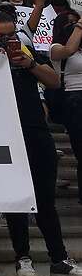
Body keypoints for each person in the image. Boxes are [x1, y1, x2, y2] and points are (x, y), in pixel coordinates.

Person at [0, 11, 82, 276]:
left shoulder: (26, 54)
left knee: (45, 200)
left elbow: (53, 80)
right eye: (0, 36)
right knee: (16, 199)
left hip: (35, 132)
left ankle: (59, 258)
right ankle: (22, 258)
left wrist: (27, 63)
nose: (7, 40)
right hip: (2, 135)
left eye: (11, 34)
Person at [49, 11, 82, 204]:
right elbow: (69, 50)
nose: (74, 26)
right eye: (70, 23)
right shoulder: (55, 48)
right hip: (74, 99)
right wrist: (79, 26)